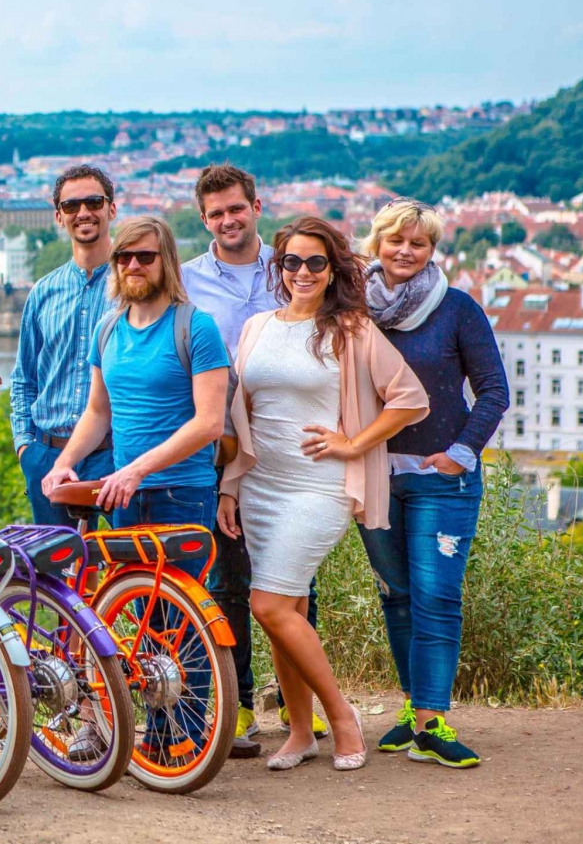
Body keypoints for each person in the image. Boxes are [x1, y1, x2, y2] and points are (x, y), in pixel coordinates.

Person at [218, 217, 428, 772]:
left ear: (332, 268)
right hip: (262, 486)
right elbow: (243, 415)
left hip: (320, 485)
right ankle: (298, 731)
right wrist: (230, 486)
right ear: (278, 267)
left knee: (267, 604)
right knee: (289, 607)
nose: (303, 272)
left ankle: (340, 719)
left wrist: (353, 441)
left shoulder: (352, 328)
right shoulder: (257, 327)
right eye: (292, 261)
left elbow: (408, 398)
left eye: (315, 262)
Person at [43, 215, 230, 762]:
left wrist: (137, 469)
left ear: (165, 261)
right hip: (125, 495)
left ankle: (189, 737)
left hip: (180, 491)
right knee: (135, 618)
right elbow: (98, 412)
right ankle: (147, 729)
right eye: (124, 257)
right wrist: (67, 462)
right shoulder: (109, 328)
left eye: (144, 257)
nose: (132, 266)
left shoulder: (195, 327)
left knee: (182, 621)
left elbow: (208, 423)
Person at [357, 200, 509, 768]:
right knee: (395, 596)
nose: (405, 251)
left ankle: (432, 721)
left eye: (418, 243)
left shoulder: (457, 309)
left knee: (437, 597)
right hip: (375, 477)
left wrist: (462, 452)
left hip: (441, 480)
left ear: (432, 250)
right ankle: (412, 705)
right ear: (377, 242)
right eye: (396, 240)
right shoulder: (356, 311)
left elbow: (493, 390)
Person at [179, 163, 323, 755]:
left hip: (290, 442)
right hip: (224, 445)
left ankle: (301, 710)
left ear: (256, 207)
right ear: (203, 219)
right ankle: (236, 708)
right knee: (231, 581)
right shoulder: (186, 281)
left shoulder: (293, 267)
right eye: (215, 214)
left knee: (298, 585)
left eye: (236, 209)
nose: (227, 220)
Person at [10, 164, 119, 528]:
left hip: (115, 456)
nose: (83, 213)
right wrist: (26, 447)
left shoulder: (135, 288)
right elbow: (24, 378)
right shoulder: (43, 292)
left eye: (93, 202)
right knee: (53, 578)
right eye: (72, 206)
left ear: (111, 209)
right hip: (48, 452)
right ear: (59, 216)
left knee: (128, 572)